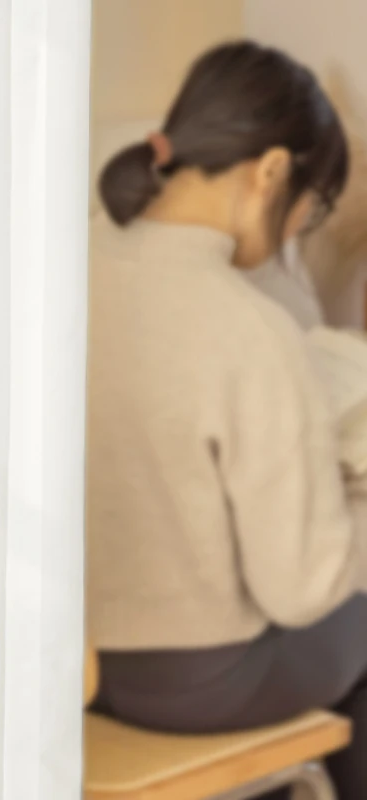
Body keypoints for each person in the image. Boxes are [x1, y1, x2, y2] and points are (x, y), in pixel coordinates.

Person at [85, 40, 367, 800]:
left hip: (70, 669)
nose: (297, 230)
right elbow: (302, 591)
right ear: (273, 172)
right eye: (313, 206)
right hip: (193, 682)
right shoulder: (248, 327)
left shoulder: (69, 263)